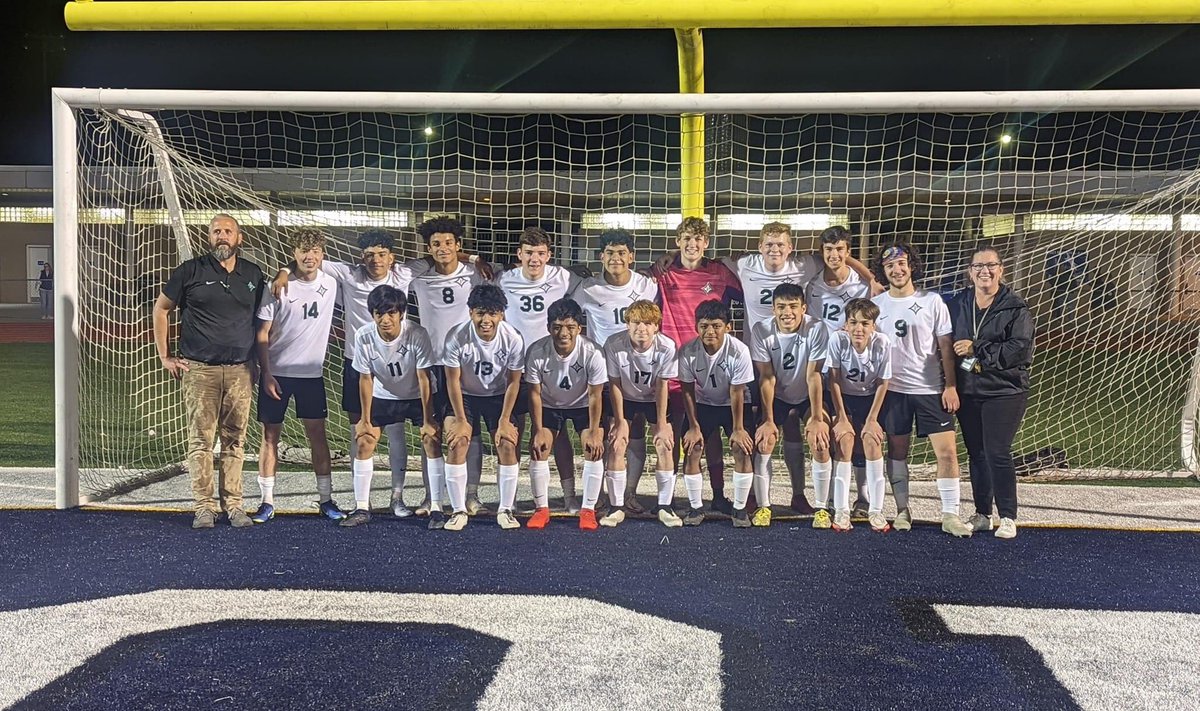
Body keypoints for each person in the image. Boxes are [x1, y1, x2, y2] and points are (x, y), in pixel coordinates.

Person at [272, 229, 430, 518]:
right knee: (360, 430)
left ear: (391, 257)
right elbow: (311, 259)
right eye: (369, 255)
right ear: (362, 257)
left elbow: (436, 259)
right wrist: (284, 270)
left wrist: (470, 256)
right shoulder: (349, 274)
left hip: (394, 364)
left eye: (382, 254)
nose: (376, 260)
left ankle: (397, 497)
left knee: (395, 432)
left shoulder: (404, 274)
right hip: (357, 365)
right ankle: (362, 502)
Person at [153, 214, 265, 529]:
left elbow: (260, 322)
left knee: (235, 440)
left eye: (228, 231)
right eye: (216, 231)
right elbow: (161, 309)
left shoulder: (253, 275)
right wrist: (165, 356)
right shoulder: (190, 271)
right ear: (209, 237)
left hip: (241, 370)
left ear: (239, 238)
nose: (222, 236)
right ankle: (204, 507)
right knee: (201, 440)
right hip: (200, 371)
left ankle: (235, 506)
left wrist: (257, 362)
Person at [870, 242, 972, 537]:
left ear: (911, 266)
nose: (897, 269)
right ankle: (902, 510)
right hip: (894, 391)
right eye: (890, 266)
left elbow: (945, 348)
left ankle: (950, 514)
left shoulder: (932, 301)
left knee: (948, 454)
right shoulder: (877, 305)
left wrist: (950, 385)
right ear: (884, 271)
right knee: (898, 453)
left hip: (930, 389)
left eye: (901, 264)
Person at [251, 227, 344, 523]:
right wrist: (265, 373)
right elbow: (262, 333)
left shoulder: (331, 283)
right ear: (294, 254)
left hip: (311, 376)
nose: (310, 256)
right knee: (270, 437)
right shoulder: (277, 286)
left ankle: (326, 499)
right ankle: (266, 501)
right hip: (277, 374)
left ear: (323, 254)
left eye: (315, 251)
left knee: (318, 435)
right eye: (304, 251)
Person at [652, 217, 744, 514]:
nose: (692, 245)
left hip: (712, 368)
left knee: (710, 436)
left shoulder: (719, 272)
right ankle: (671, 499)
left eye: (698, 240)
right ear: (677, 242)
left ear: (706, 243)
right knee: (675, 437)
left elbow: (751, 294)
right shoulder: (663, 273)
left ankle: (717, 495)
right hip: (674, 366)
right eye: (686, 239)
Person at [341, 285, 451, 529]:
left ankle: (436, 507)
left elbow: (424, 377)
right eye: (379, 313)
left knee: (431, 440)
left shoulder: (417, 333)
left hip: (416, 394)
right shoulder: (364, 336)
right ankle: (361, 507)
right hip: (385, 394)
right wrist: (365, 419)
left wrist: (428, 419)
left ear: (401, 313)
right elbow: (365, 378)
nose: (385, 319)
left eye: (391, 313)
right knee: (364, 440)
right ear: (373, 315)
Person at [568, 229, 659, 510]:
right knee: (609, 433)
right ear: (600, 257)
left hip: (639, 372)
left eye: (621, 253)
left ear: (631, 256)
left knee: (635, 432)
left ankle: (628, 493)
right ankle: (606, 494)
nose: (615, 258)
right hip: (603, 374)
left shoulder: (647, 286)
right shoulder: (587, 288)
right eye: (609, 253)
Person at [496, 226, 583, 512]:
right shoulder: (503, 280)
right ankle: (518, 500)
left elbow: (593, 283)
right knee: (515, 432)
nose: (535, 259)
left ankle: (569, 495)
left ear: (549, 255)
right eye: (529, 253)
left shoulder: (563, 278)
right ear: (518, 254)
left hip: (553, 366)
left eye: (541, 253)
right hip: (516, 368)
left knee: (553, 434)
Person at [950, 245, 1033, 540]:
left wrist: (977, 350)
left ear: (1001, 270)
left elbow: (1018, 350)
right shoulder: (959, 302)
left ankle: (1008, 516)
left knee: (997, 452)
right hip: (969, 390)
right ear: (969, 272)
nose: (984, 271)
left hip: (1005, 390)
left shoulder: (1015, 307)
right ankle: (983, 513)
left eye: (991, 265)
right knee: (977, 454)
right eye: (978, 266)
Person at [411, 216, 488, 514]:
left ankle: (472, 495)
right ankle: (432, 497)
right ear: (428, 248)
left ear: (458, 245)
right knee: (430, 429)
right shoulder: (419, 276)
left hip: (468, 364)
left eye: (448, 243)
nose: (442, 249)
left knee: (471, 429)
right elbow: (399, 266)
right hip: (431, 364)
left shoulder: (476, 275)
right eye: (435, 244)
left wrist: (473, 258)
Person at [442, 284, 527, 530]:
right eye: (480, 313)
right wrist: (460, 419)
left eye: (492, 313)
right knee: (458, 441)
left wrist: (504, 419)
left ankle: (506, 509)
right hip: (465, 395)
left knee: (507, 443)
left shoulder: (512, 337)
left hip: (499, 395)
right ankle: (458, 510)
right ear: (470, 313)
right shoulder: (456, 336)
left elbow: (514, 382)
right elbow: (452, 381)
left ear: (501, 314)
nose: (486, 320)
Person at [807, 225, 875, 518]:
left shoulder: (862, 287)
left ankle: (862, 498)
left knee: (858, 433)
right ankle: (835, 499)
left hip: (855, 371)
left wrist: (871, 276)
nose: (834, 255)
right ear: (822, 253)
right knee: (832, 433)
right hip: (823, 369)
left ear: (848, 253)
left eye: (840, 250)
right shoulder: (812, 286)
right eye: (829, 250)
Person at [523, 298, 608, 530]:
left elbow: (595, 395)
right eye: (558, 327)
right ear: (549, 327)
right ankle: (543, 508)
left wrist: (593, 431)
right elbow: (534, 394)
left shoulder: (593, 352)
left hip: (583, 403)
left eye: (570, 327)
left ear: (579, 329)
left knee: (593, 447)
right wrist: (539, 430)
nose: (564, 333)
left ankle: (588, 510)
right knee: (539, 448)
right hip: (550, 404)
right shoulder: (536, 351)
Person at [751, 283, 830, 528]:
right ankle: (764, 506)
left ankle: (821, 508)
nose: (788, 312)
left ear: (803, 308)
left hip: (807, 393)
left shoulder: (816, 328)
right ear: (773, 309)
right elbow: (766, 376)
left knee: (820, 440)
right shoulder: (761, 329)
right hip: (777, 393)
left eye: (794, 306)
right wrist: (768, 419)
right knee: (765, 441)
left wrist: (817, 418)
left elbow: (814, 375)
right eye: (781, 307)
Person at [602, 300, 680, 527]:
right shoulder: (614, 344)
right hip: (625, 397)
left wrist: (663, 423)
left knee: (664, 443)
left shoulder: (666, 346)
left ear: (656, 326)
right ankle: (617, 506)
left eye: (648, 323)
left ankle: (664, 506)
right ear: (627, 324)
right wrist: (619, 421)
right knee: (617, 444)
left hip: (653, 398)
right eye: (636, 322)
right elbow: (614, 384)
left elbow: (662, 385)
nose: (641, 328)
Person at [679, 300, 756, 527]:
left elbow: (737, 392)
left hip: (734, 404)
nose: (710, 331)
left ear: (728, 327)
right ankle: (696, 508)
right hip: (704, 403)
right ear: (696, 326)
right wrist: (693, 426)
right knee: (693, 447)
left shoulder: (739, 351)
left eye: (716, 326)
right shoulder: (688, 351)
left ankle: (740, 510)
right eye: (704, 326)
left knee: (740, 447)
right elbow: (687, 391)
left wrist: (739, 429)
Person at [826, 298, 892, 533]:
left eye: (865, 323)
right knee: (845, 441)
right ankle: (841, 509)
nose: (858, 328)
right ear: (846, 324)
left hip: (870, 399)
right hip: (843, 398)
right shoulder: (837, 340)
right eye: (853, 322)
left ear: (873, 325)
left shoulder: (882, 343)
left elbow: (884, 382)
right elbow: (832, 380)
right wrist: (842, 418)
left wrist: (873, 419)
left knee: (872, 442)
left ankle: (876, 509)